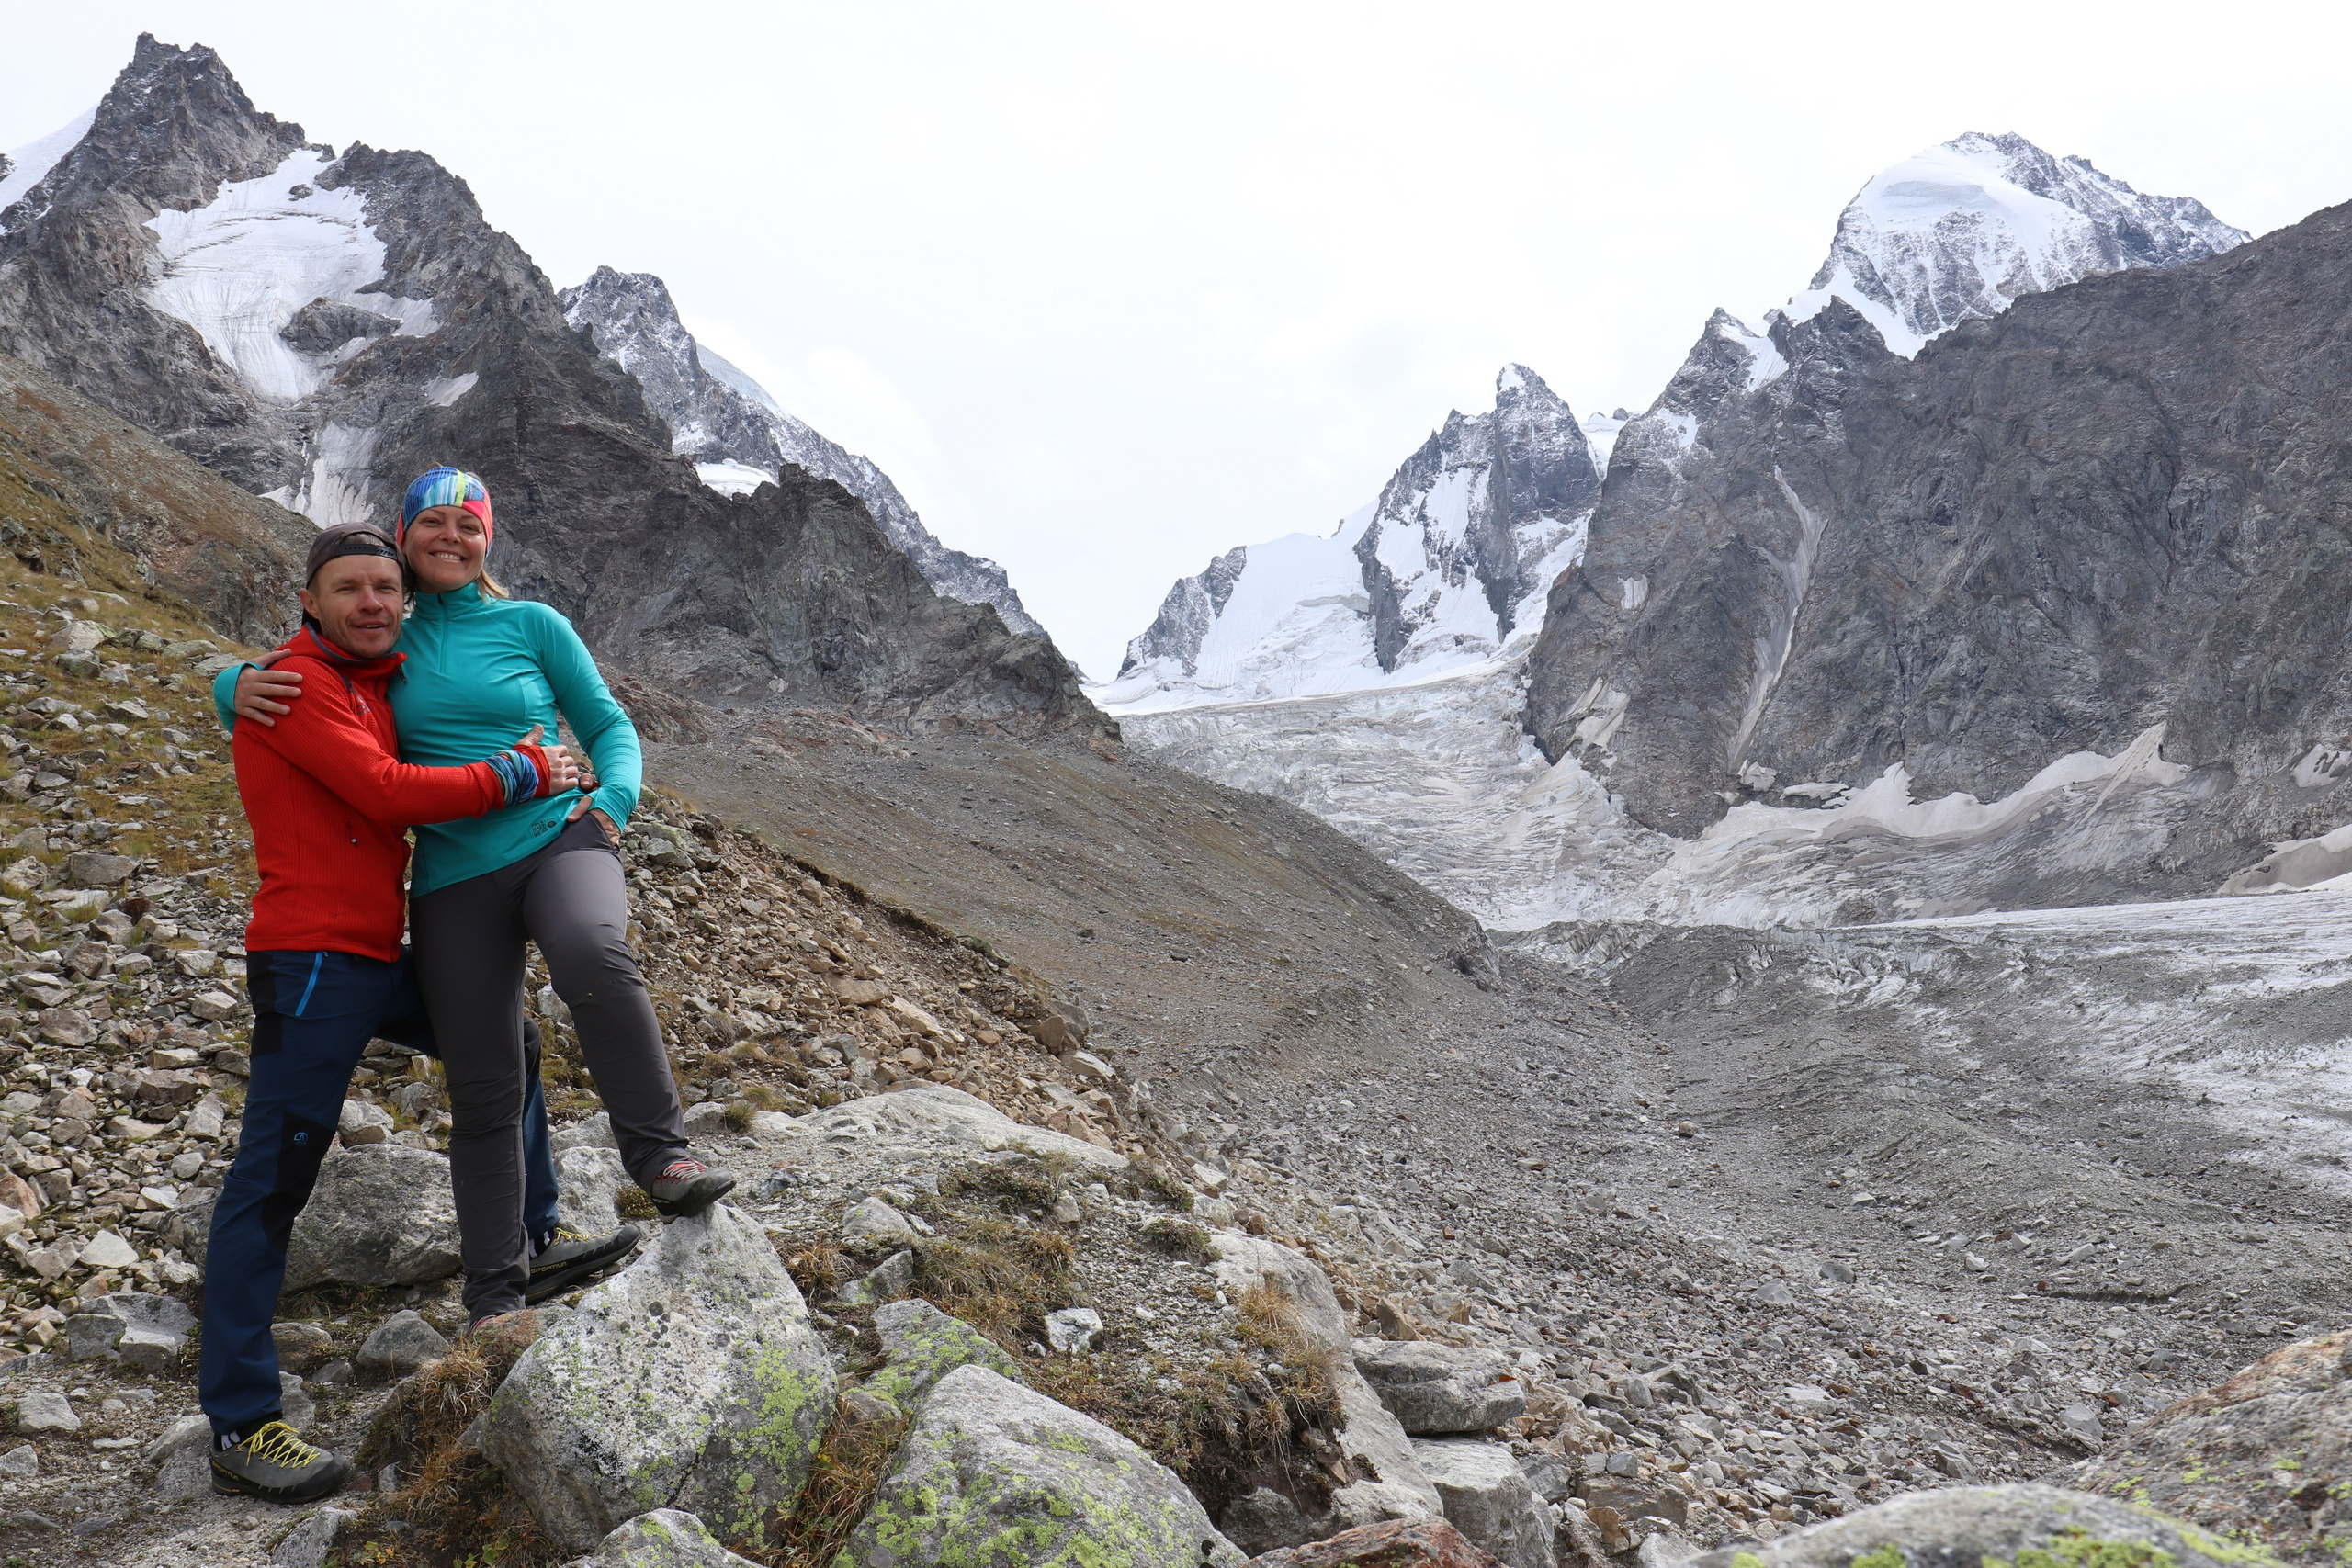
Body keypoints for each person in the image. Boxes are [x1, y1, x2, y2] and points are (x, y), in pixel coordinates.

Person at [221, 468, 732, 1333]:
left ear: (487, 537)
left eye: (468, 523)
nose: (451, 537)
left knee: (590, 952)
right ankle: (498, 1294)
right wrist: (228, 682)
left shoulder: (534, 624)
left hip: (556, 838)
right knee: (487, 1080)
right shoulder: (388, 638)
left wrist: (609, 809)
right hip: (452, 879)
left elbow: (608, 726)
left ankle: (661, 1158)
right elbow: (311, 676)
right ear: (405, 535)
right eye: (432, 523)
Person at [204, 523, 642, 1503]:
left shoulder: (373, 679)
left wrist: (218, 679)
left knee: (502, 1044)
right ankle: (240, 1423)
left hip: (372, 955)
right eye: (348, 588)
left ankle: (534, 1235)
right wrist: (522, 772)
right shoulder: (303, 683)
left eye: (384, 588)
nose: (372, 602)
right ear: (309, 601)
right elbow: (383, 791)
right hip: (313, 963)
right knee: (273, 1178)